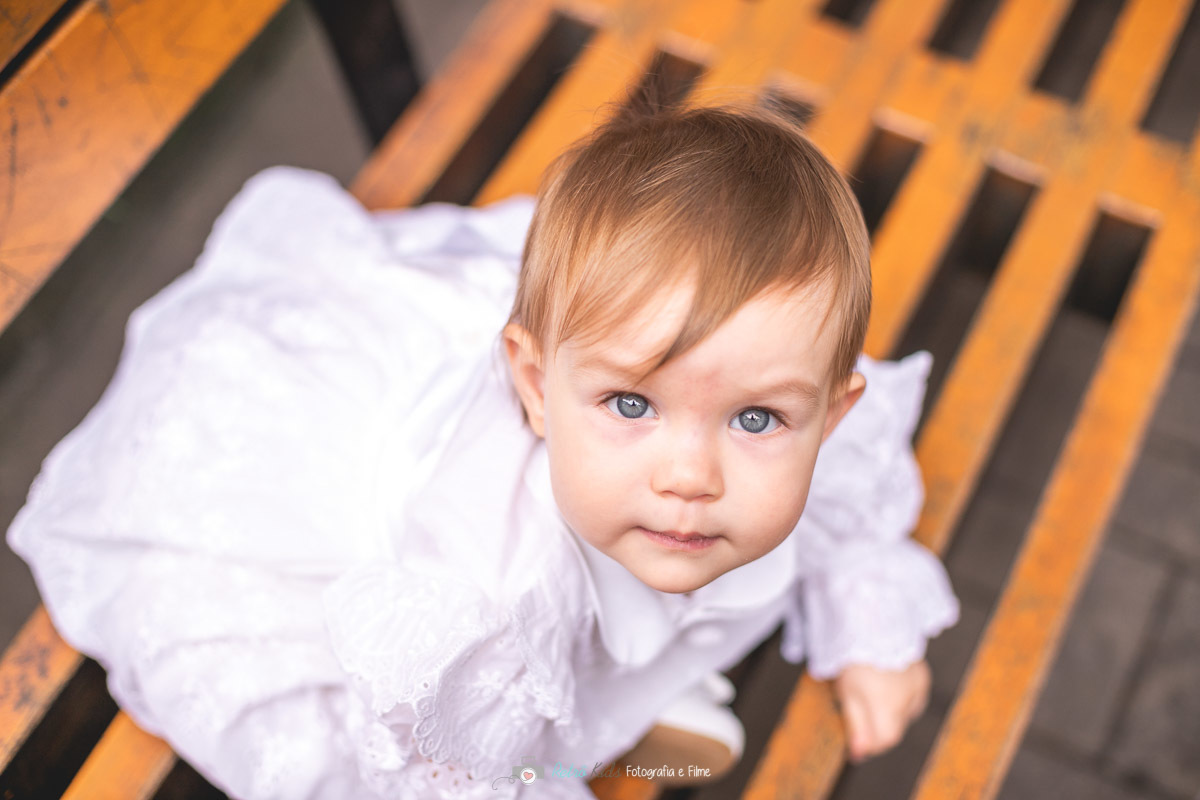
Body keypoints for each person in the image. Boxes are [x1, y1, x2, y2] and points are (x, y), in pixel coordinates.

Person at [6, 95, 958, 799]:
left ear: (828, 420)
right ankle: (577, 731)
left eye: (758, 421)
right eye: (630, 404)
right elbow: (449, 774)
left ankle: (626, 695)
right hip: (357, 499)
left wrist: (864, 613)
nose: (689, 476)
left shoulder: (739, 443)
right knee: (484, 728)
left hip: (581, 541)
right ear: (537, 388)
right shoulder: (485, 585)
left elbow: (845, 500)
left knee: (679, 526)